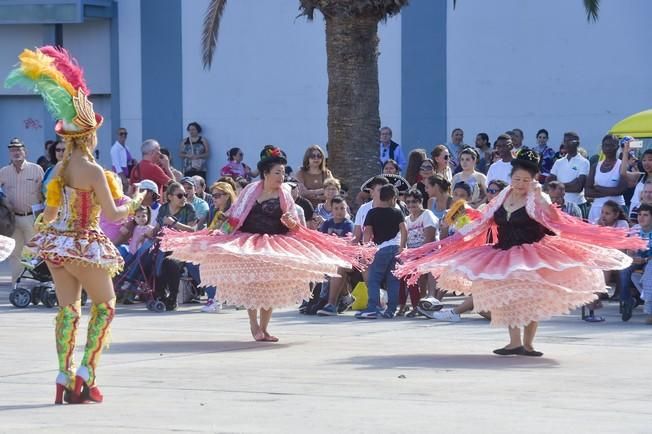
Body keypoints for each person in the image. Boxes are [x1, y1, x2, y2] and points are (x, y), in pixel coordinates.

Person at [398, 148, 644, 356]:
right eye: (517, 179)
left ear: (534, 180)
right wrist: (461, 220)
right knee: (510, 297)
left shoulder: (537, 197)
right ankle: (515, 343)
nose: (520, 184)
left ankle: (527, 343)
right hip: (503, 252)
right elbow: (485, 220)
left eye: (526, 180)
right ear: (511, 177)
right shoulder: (504, 194)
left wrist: (540, 196)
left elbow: (552, 217)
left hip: (532, 253)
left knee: (529, 297)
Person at [6, 45, 144, 404]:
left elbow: (49, 215)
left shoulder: (61, 170)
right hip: (84, 244)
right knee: (106, 305)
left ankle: (63, 374)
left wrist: (39, 240)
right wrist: (137, 202)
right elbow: (114, 215)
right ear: (89, 136)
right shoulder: (93, 169)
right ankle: (87, 371)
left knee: (67, 310)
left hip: (57, 246)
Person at [161, 146, 370, 341]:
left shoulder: (284, 194)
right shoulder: (251, 190)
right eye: (277, 172)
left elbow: (293, 224)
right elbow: (235, 216)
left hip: (275, 242)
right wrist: (219, 233)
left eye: (282, 173)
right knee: (252, 283)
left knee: (269, 284)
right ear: (266, 173)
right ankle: (254, 325)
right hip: (249, 240)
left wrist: (291, 223)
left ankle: (265, 327)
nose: (281, 177)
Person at [356, 184, 407, 319]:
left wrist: (366, 251)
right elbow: (404, 229)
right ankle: (391, 310)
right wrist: (402, 247)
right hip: (395, 249)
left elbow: (367, 233)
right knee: (393, 281)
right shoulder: (397, 212)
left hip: (381, 249)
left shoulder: (372, 212)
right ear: (393, 198)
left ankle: (373, 307)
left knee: (373, 280)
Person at [0, 138, 44, 287]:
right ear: (9, 153)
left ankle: (36, 284)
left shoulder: (36, 169)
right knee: (15, 252)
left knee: (33, 251)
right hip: (12, 219)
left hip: (31, 216)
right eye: (13, 150)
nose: (16, 152)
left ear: (25, 151)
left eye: (19, 149)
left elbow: (44, 192)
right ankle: (17, 286)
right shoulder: (4, 172)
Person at [201, 181, 238, 313]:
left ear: (227, 196)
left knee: (203, 264)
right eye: (213, 196)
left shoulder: (234, 212)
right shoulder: (218, 213)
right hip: (218, 248)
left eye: (217, 196)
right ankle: (215, 298)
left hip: (231, 249)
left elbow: (229, 233)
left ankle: (214, 299)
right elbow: (210, 231)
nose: (214, 199)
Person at [401, 189, 438, 317]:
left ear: (421, 201)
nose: (411, 205)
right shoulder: (406, 219)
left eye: (414, 201)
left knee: (424, 271)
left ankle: (428, 300)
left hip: (428, 251)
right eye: (408, 202)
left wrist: (417, 255)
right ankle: (418, 305)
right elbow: (404, 240)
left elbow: (430, 239)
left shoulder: (427, 215)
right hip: (413, 254)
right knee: (414, 277)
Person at [315, 196, 355, 316]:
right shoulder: (327, 224)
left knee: (337, 267)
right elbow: (321, 242)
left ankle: (331, 304)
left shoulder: (348, 225)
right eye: (336, 208)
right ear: (331, 210)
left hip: (347, 259)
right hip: (330, 257)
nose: (339, 211)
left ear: (346, 209)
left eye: (342, 208)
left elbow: (346, 245)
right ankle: (346, 297)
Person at [584, 134, 627, 224]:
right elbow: (587, 192)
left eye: (611, 145)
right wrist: (612, 191)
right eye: (605, 145)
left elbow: (621, 190)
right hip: (596, 211)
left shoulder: (621, 165)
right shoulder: (595, 166)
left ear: (617, 147)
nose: (608, 148)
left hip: (615, 213)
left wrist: (599, 188)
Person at [620, 204, 652, 322]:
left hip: (650, 261)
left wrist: (645, 260)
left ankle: (643, 301)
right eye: (639, 215)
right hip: (639, 259)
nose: (641, 218)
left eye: (645, 215)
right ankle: (628, 300)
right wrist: (632, 258)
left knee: (640, 274)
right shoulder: (635, 230)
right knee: (624, 269)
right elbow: (630, 251)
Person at [547, 132, 590, 218]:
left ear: (577, 143)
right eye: (565, 141)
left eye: (569, 141)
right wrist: (572, 183)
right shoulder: (558, 162)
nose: (566, 143)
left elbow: (578, 187)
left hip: (578, 204)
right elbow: (549, 183)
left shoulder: (584, 162)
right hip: (559, 205)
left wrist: (558, 185)